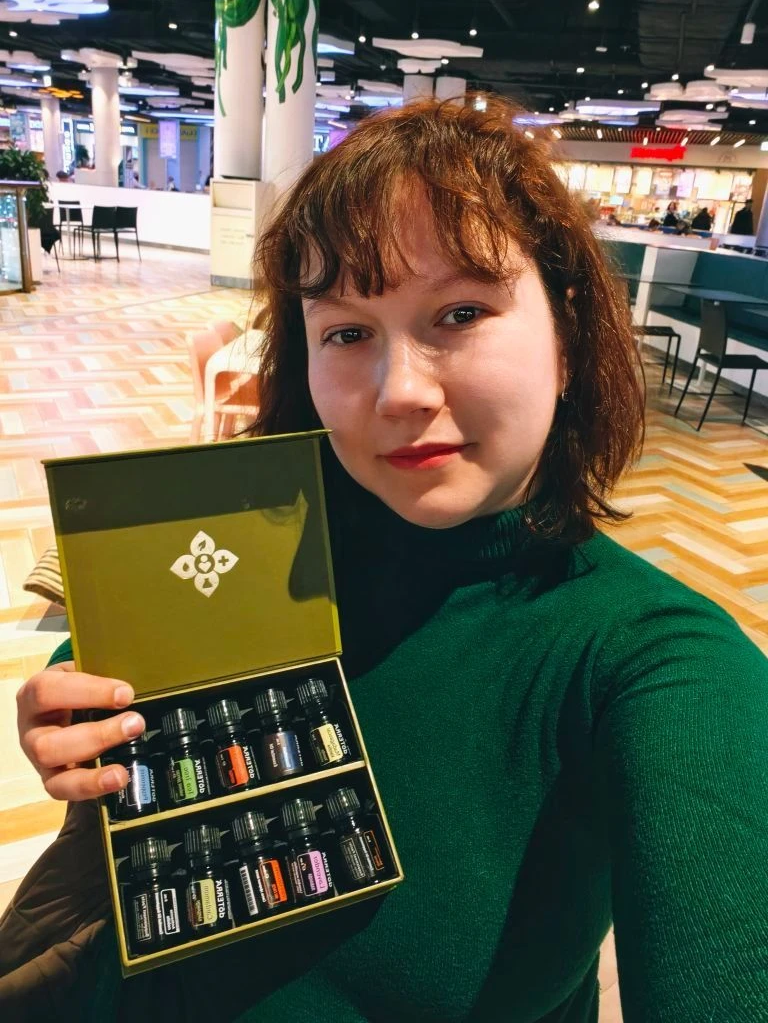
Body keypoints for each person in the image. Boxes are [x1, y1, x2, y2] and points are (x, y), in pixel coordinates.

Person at [4, 96, 768, 1022]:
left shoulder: (654, 660)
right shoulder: (263, 537)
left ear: (567, 338)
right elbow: (122, 659)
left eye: (460, 312)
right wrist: (77, 707)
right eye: (347, 332)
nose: (398, 392)